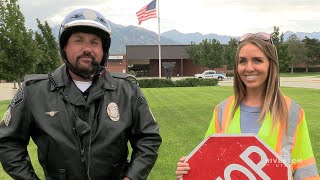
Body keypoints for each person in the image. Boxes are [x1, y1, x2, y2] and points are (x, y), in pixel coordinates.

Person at [0, 8, 162, 180]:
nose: (87, 49)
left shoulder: (127, 90)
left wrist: (132, 177)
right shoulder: (34, 91)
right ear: (65, 47)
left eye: (94, 42)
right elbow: (8, 142)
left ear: (103, 50)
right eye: (78, 41)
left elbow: (148, 138)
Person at [175, 32, 319, 179]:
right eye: (242, 61)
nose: (249, 68)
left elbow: (305, 170)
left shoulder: (292, 111)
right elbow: (209, 165)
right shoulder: (222, 110)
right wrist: (188, 169)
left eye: (257, 60)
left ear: (271, 64)